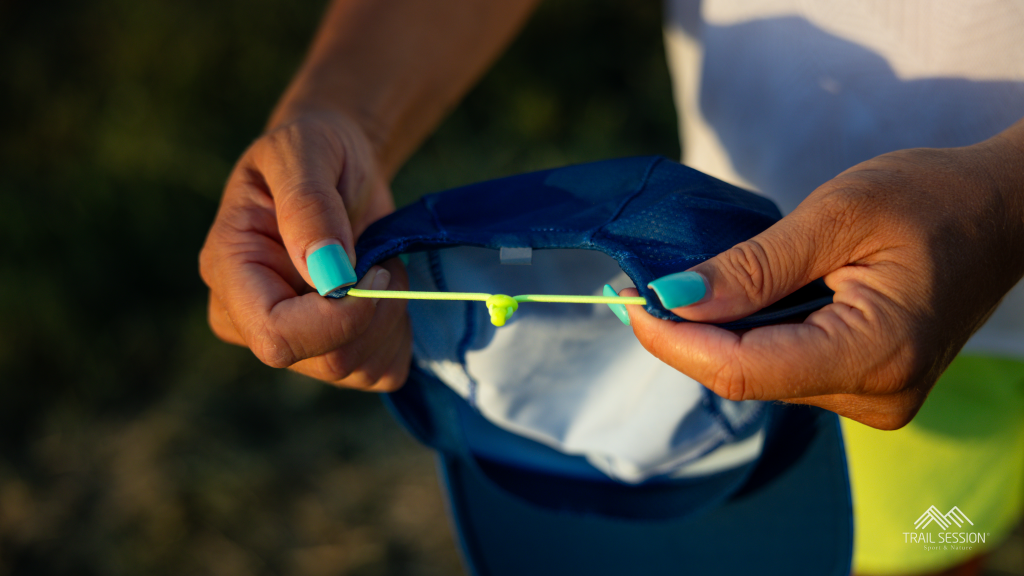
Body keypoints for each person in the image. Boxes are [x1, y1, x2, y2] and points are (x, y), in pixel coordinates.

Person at [198, 1, 1024, 574]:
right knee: (928, 537)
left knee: (929, 538)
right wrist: (345, 112)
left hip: (912, 325)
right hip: (841, 329)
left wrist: (1007, 203)